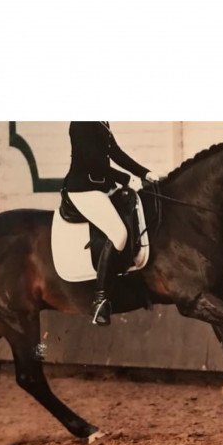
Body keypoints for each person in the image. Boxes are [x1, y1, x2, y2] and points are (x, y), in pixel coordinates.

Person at [63, 121, 159, 326]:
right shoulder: (81, 121)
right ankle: (100, 299)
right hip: (83, 189)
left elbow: (115, 152)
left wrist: (144, 172)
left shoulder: (101, 120)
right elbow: (93, 162)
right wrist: (125, 178)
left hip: (102, 188)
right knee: (119, 234)